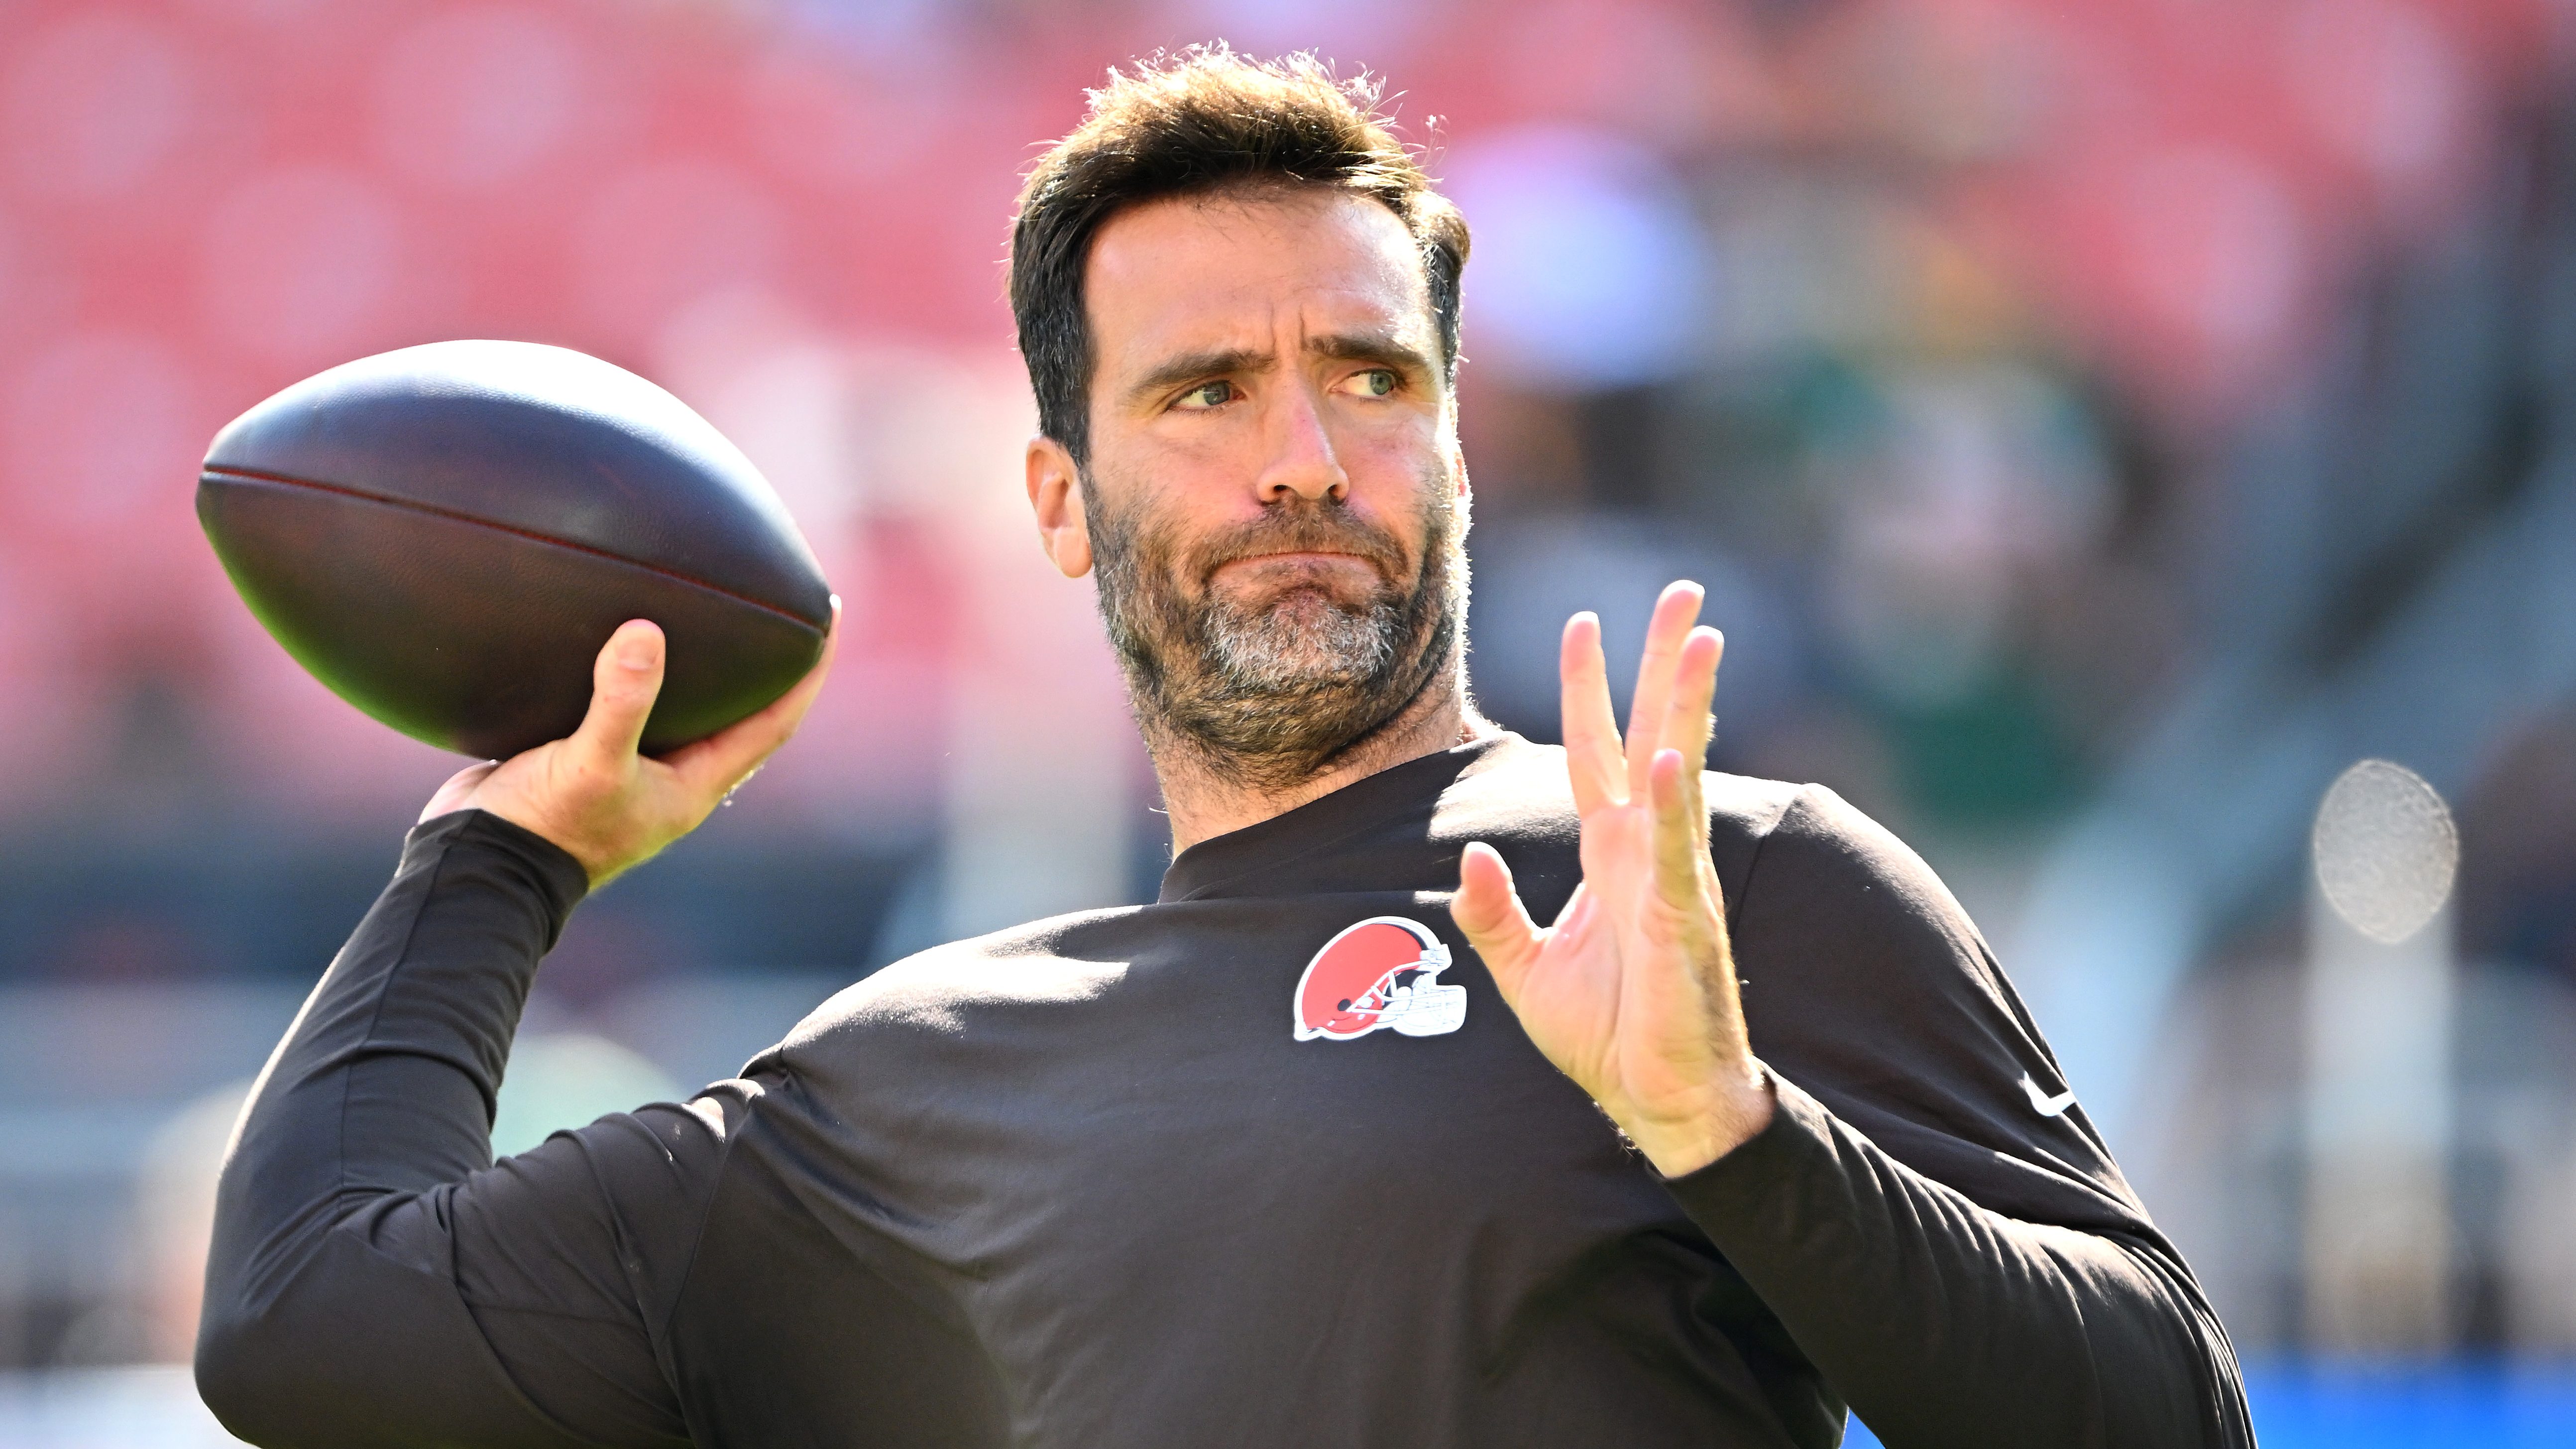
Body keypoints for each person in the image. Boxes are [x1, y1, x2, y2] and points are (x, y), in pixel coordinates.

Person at [196, 50, 2252, 1449]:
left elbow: (2165, 1418)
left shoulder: (1710, 887)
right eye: (1204, 392)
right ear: (1058, 500)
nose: (1303, 458)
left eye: (1371, 377)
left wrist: (1733, 1129)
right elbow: (309, 1325)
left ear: (1456, 451)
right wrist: (503, 854)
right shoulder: (902, 1080)